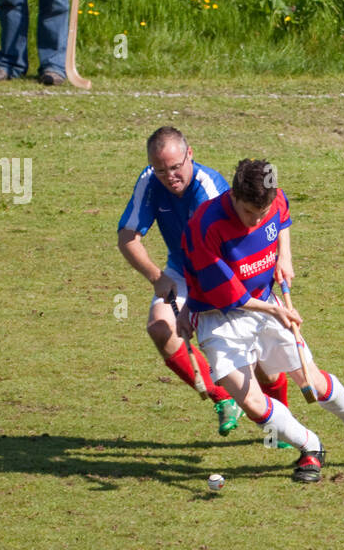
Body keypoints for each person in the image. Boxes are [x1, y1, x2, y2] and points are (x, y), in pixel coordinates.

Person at [178, 159, 344, 483]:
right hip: (219, 316)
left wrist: (284, 255)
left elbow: (283, 216)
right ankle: (311, 447)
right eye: (250, 213)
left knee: (314, 382)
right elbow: (229, 295)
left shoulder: (272, 197)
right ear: (233, 196)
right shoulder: (205, 226)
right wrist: (276, 311)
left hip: (264, 299)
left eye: (262, 213)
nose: (257, 220)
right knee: (251, 402)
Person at [118, 127, 289, 436]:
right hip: (184, 271)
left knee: (262, 362)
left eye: (174, 167)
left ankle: (282, 429)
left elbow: (213, 261)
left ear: (190, 155)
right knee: (160, 328)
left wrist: (192, 310)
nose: (168, 176)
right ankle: (222, 398)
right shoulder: (149, 181)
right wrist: (157, 277)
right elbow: (127, 237)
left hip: (230, 276)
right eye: (160, 170)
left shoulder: (208, 188)